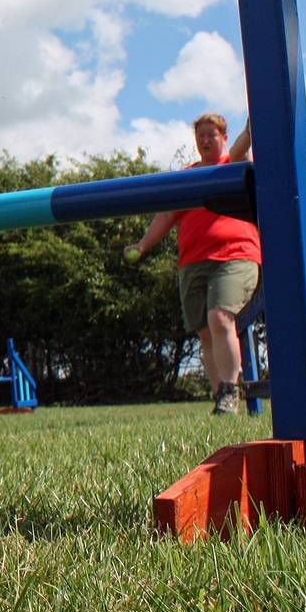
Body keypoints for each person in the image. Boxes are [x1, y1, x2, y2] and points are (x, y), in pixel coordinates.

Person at [126, 114, 257, 414]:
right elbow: (165, 216)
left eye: (212, 135)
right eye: (201, 136)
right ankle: (222, 401)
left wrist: (251, 129)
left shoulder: (232, 165)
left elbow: (240, 148)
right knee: (205, 331)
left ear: (224, 137)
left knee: (220, 318)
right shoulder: (187, 176)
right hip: (193, 262)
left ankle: (229, 389)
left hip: (235, 255)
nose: (205, 141)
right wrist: (143, 245)